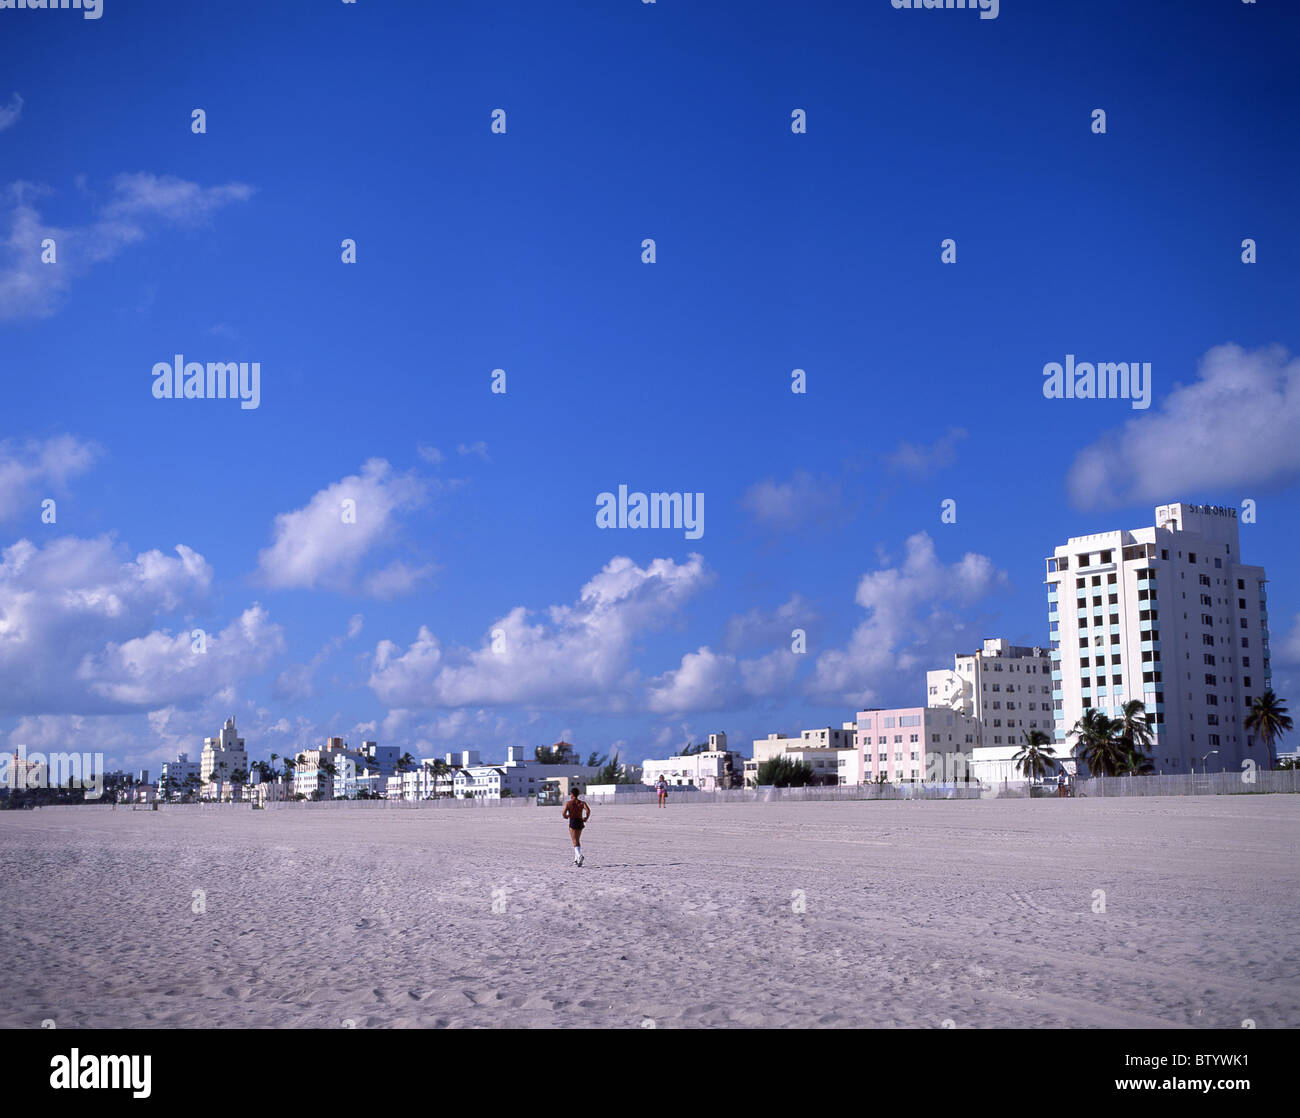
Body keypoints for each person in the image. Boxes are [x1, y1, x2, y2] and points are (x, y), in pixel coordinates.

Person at [561, 788, 591, 866]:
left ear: (572, 794)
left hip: (573, 821)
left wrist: (566, 816)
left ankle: (579, 855)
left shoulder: (568, 803)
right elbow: (588, 811)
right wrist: (586, 818)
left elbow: (563, 813)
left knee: (575, 841)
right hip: (580, 821)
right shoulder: (582, 803)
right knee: (577, 840)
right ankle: (576, 860)